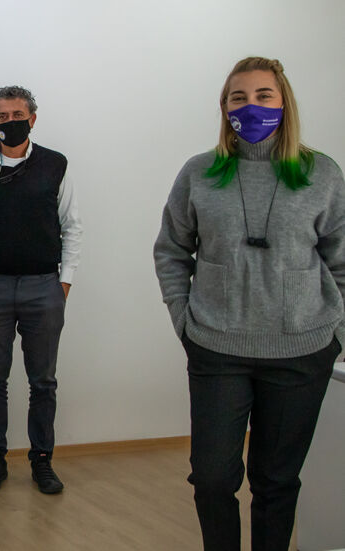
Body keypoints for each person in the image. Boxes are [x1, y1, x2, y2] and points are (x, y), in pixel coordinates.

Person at [154, 57, 345, 550]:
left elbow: (342, 258)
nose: (251, 106)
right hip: (218, 349)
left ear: (284, 103)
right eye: (238, 97)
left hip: (301, 354)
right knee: (212, 478)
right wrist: (184, 321)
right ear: (224, 108)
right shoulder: (199, 173)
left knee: (276, 483)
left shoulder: (321, 173)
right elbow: (171, 250)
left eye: (264, 95)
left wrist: (337, 334)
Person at [0, 85, 83, 494]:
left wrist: (63, 283)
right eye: (2, 116)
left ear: (32, 118)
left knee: (43, 381)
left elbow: (72, 226)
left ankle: (42, 461)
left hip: (43, 287)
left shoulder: (55, 165)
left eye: (17, 115)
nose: (10, 122)